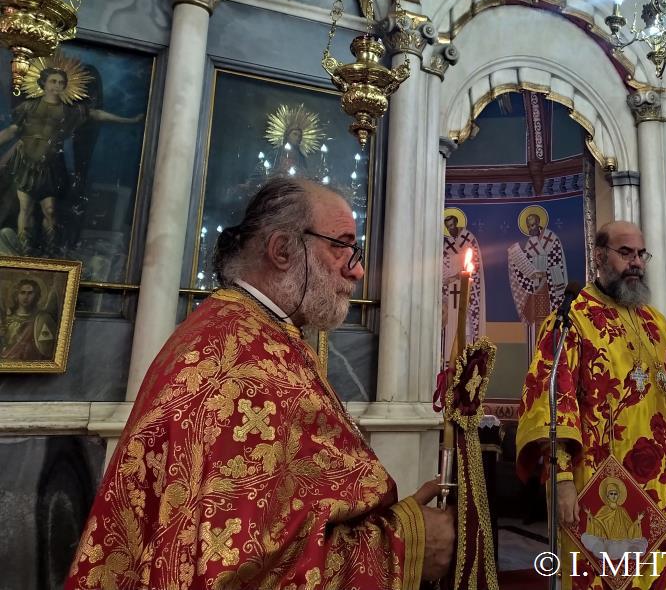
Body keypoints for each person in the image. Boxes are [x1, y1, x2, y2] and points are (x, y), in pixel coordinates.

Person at [66, 177, 454, 589]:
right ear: (283, 250)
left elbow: (288, 521)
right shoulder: (241, 366)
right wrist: (403, 546)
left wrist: (394, 523)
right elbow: (236, 568)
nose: (356, 270)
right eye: (341, 245)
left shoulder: (246, 331)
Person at [516, 221, 666, 590]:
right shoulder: (572, 319)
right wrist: (561, 479)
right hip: (611, 489)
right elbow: (551, 401)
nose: (636, 262)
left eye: (641, 254)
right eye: (626, 253)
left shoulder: (655, 321)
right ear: (600, 257)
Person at [0, 66, 143, 255]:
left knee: (50, 211)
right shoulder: (29, 107)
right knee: (25, 210)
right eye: (53, 81)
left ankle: (50, 251)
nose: (56, 86)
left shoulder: (70, 111)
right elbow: (12, 131)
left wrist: (129, 121)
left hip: (49, 168)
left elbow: (97, 114)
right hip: (26, 165)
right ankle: (24, 253)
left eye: (61, 83)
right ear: (43, 83)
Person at [507, 206, 567, 356]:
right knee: (536, 325)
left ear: (540, 223)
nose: (530, 229)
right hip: (536, 291)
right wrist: (515, 259)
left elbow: (556, 261)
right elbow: (526, 264)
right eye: (528, 226)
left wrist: (544, 274)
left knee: (551, 323)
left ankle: (549, 357)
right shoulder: (530, 242)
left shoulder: (551, 238)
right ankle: (535, 357)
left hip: (550, 290)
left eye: (533, 225)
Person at [442, 209, 486, 362]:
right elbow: (443, 268)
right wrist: (451, 277)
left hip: (469, 289)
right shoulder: (446, 244)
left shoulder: (469, 238)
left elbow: (475, 264)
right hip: (452, 292)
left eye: (453, 225)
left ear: (457, 223)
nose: (451, 229)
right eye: (448, 227)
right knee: (452, 323)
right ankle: (451, 360)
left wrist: (462, 275)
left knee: (467, 325)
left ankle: (467, 358)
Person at [0, 277, 58, 361]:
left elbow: (47, 347)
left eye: (30, 293)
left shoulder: (41, 319)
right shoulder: (6, 319)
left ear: (36, 296)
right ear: (16, 295)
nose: (26, 297)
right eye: (22, 293)